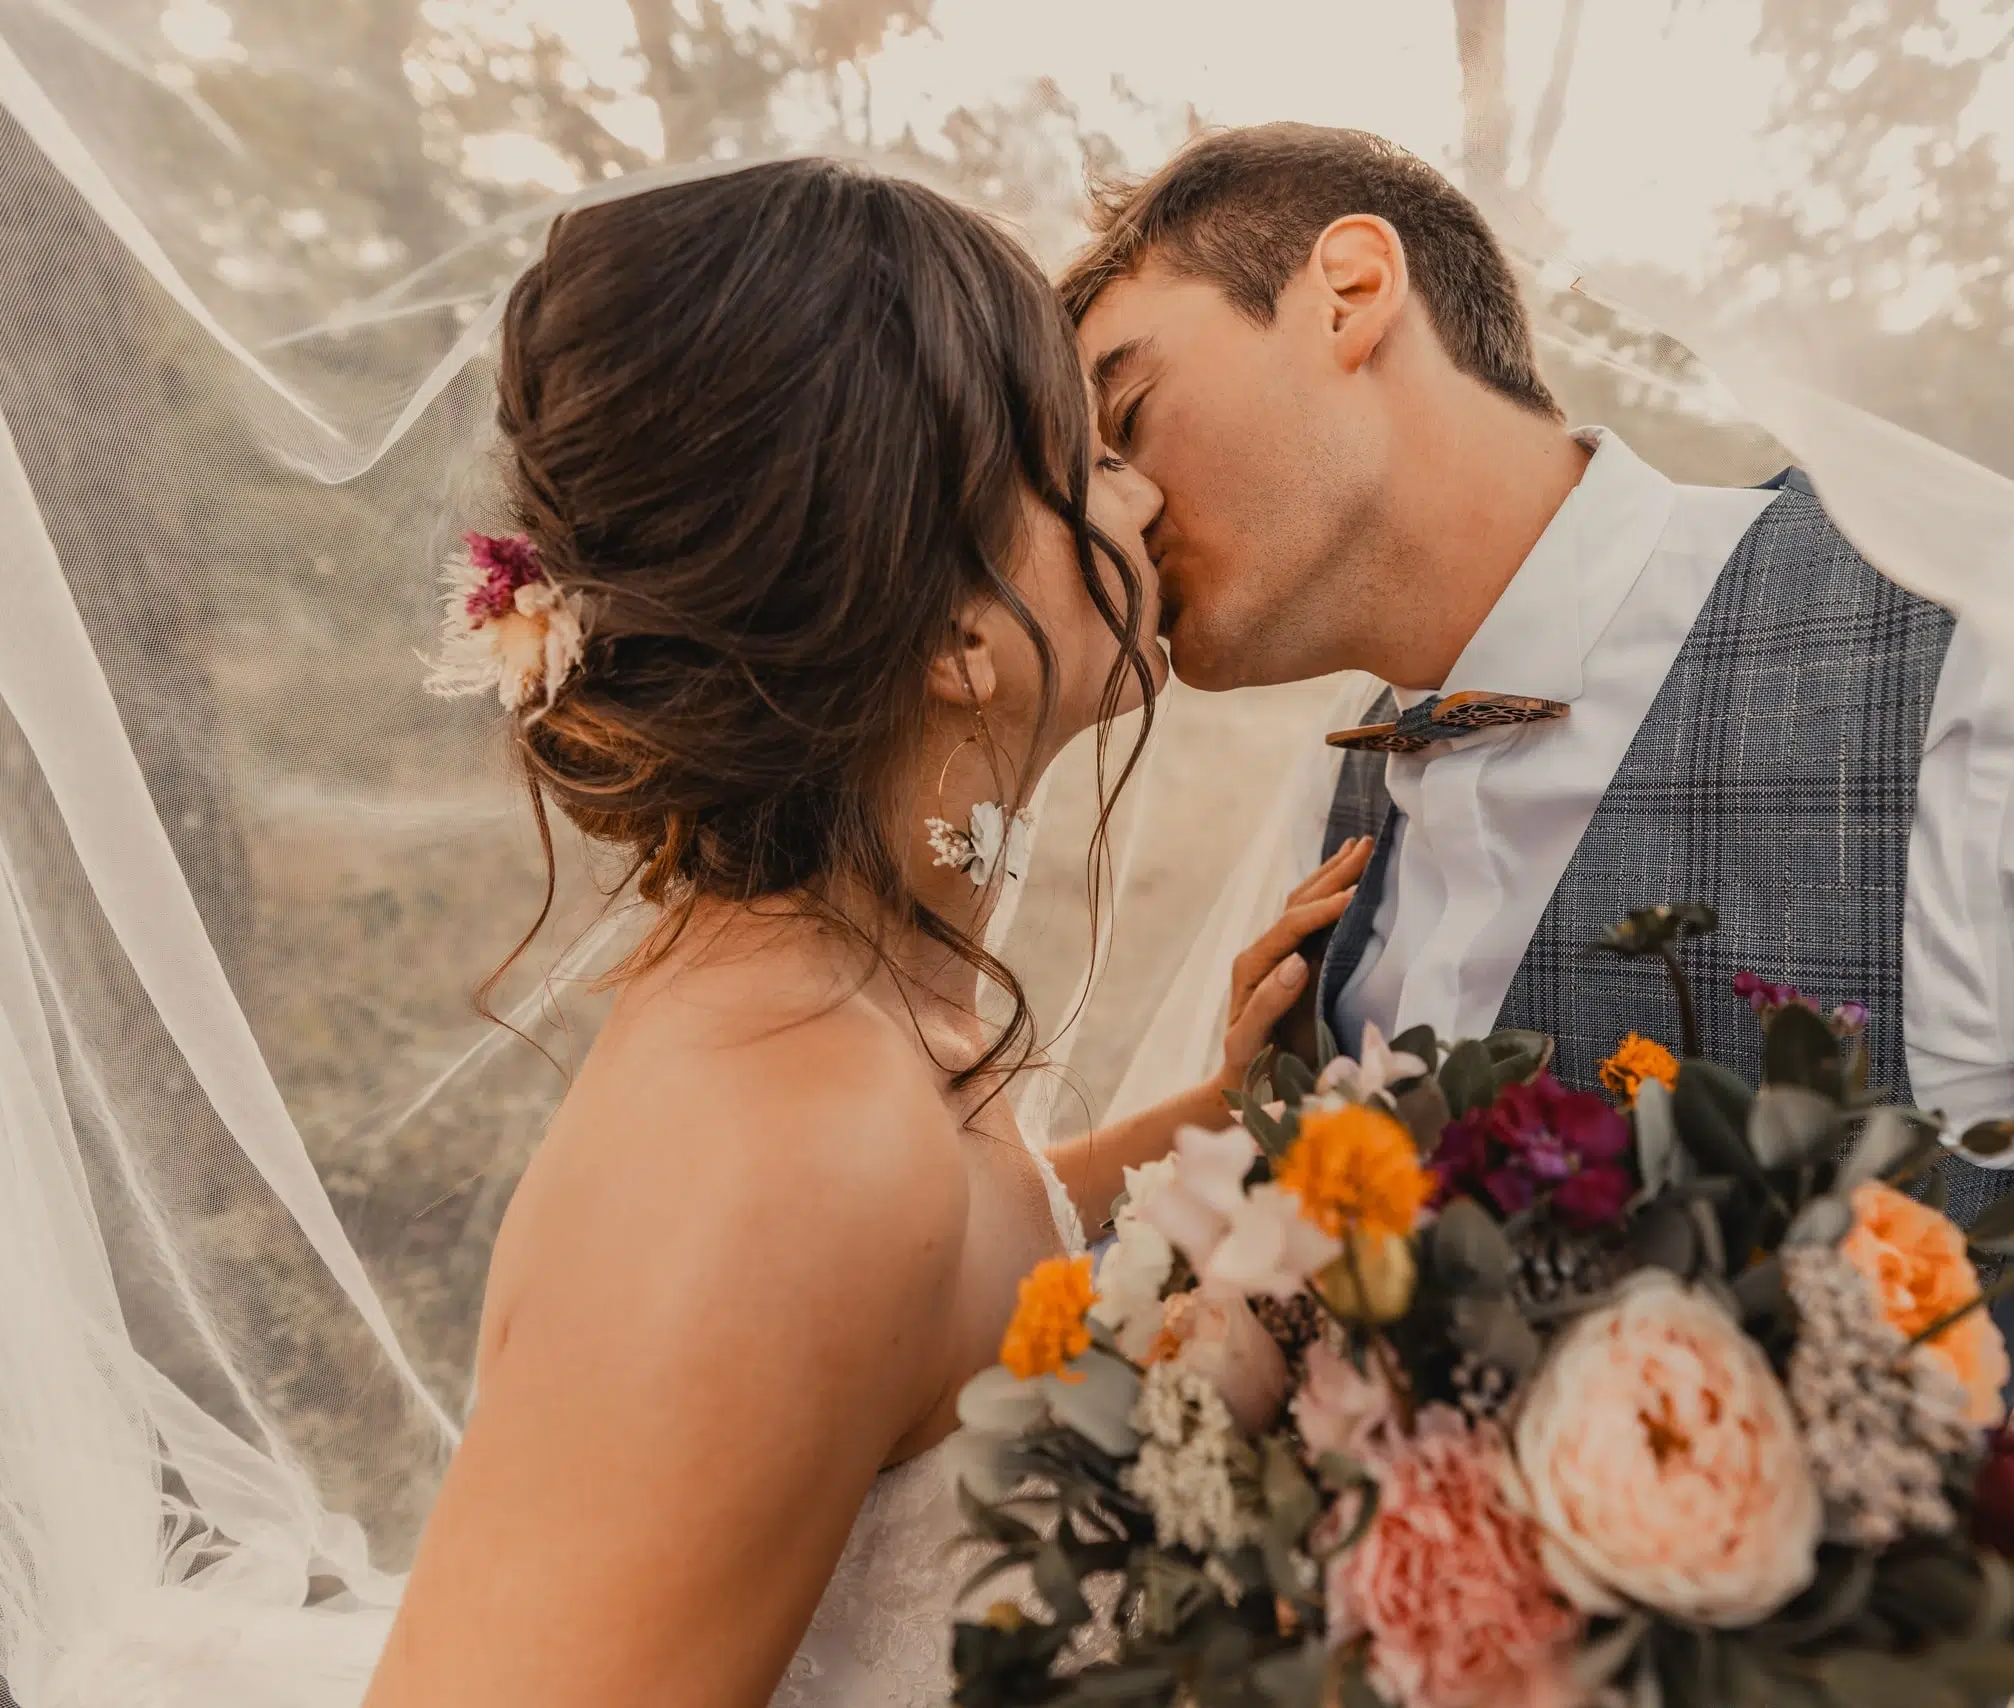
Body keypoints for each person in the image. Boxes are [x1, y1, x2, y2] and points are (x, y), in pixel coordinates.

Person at [1060, 121, 2014, 1689]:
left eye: (1127, 412)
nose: (1110, 512)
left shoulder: (1995, 688)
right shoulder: (1328, 817)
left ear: (1348, 289)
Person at [362, 158, 1366, 1708]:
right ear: (958, 635)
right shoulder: (790, 1141)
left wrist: (1216, 1121)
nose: (1145, 496)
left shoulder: (839, 1001)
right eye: (1083, 457)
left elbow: (940, 1276)